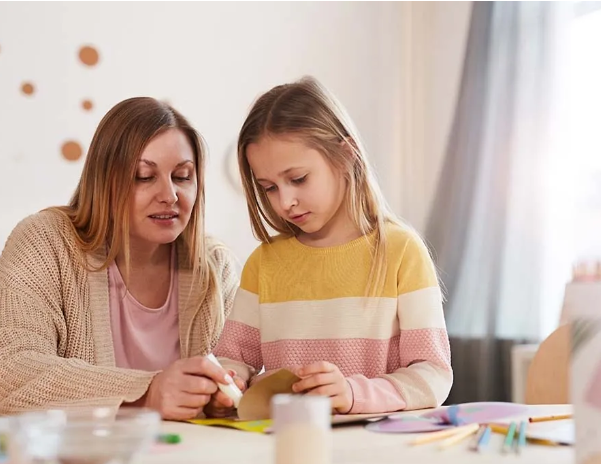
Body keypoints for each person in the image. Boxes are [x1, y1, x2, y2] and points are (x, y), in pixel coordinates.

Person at [208, 77, 452, 417]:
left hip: (379, 447)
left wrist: (353, 393)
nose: (285, 202)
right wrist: (227, 381)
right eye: (269, 188)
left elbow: (433, 374)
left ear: (345, 155)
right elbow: (233, 359)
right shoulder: (264, 263)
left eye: (298, 179)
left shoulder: (401, 251)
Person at [0, 97, 244, 420]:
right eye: (144, 176)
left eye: (182, 176)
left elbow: (236, 370)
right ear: (104, 182)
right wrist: (147, 392)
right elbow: (11, 373)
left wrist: (226, 390)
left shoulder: (215, 267)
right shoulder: (44, 242)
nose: (169, 195)